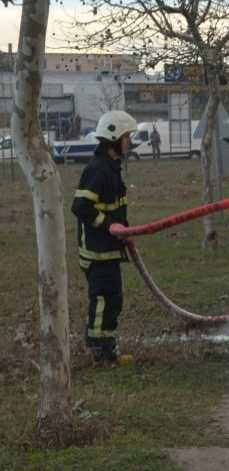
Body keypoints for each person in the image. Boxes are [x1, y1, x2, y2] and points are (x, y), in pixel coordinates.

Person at [71, 110, 136, 364]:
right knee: (102, 299)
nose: (129, 142)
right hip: (96, 251)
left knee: (113, 299)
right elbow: (80, 207)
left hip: (108, 248)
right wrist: (109, 226)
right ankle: (99, 351)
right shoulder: (98, 170)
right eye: (127, 137)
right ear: (114, 137)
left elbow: (115, 209)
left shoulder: (111, 168)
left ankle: (105, 347)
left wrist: (125, 229)